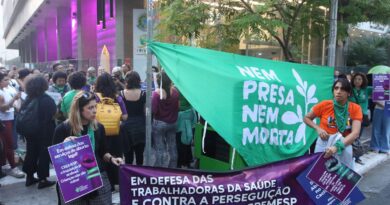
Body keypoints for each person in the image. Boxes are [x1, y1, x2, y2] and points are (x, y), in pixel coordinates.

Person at [53, 91, 123, 204]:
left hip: (97, 175)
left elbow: (102, 151)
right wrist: (63, 146)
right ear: (79, 110)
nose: (95, 110)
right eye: (90, 108)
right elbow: (55, 160)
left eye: (95, 106)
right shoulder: (63, 129)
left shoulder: (98, 127)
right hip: (73, 178)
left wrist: (112, 158)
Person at [304, 78, 362, 169]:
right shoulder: (324, 105)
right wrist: (318, 128)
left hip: (344, 144)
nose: (338, 91)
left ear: (349, 93)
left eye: (342, 89)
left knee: (342, 178)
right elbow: (306, 118)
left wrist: (336, 147)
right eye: (336, 88)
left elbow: (355, 133)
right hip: (323, 143)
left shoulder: (355, 108)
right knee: (319, 174)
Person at [22, 74, 57, 189]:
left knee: (31, 152)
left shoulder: (28, 98)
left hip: (30, 131)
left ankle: (29, 177)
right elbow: (53, 113)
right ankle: (42, 179)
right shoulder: (46, 99)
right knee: (43, 154)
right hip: (45, 131)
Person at [94, 72, 128, 190]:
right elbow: (124, 117)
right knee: (116, 156)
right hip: (116, 132)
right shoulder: (117, 97)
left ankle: (107, 184)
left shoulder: (95, 97)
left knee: (102, 155)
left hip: (99, 132)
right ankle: (117, 182)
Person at [152, 71, 179, 168]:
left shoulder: (156, 94)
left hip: (159, 123)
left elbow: (154, 110)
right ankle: (172, 169)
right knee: (172, 147)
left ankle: (159, 171)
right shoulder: (175, 92)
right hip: (173, 123)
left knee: (160, 149)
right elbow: (177, 107)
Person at [0, 72, 24, 178]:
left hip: (10, 118)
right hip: (3, 121)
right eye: (4, 80)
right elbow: (3, 108)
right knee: (8, 144)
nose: (7, 81)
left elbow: (12, 105)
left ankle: (5, 165)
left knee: (7, 145)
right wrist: (14, 99)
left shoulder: (6, 89)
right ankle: (13, 168)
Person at [120, 71, 146, 165]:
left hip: (126, 126)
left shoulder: (121, 94)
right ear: (138, 81)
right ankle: (139, 177)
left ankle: (128, 176)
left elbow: (120, 112)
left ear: (127, 81)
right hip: (140, 126)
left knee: (128, 155)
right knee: (140, 155)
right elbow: (145, 111)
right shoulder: (143, 94)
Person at [348, 72, 371, 164]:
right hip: (350, 117)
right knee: (349, 135)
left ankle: (356, 156)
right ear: (353, 80)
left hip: (361, 117)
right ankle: (348, 155)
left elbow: (382, 88)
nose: (357, 81)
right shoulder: (348, 90)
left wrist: (384, 78)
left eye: (360, 79)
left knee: (358, 136)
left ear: (363, 81)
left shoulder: (367, 90)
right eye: (356, 79)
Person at [176, 91, 197, 168]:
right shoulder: (188, 88)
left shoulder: (175, 90)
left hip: (180, 116)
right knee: (187, 139)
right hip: (189, 116)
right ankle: (187, 161)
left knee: (179, 141)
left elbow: (177, 105)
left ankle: (180, 162)